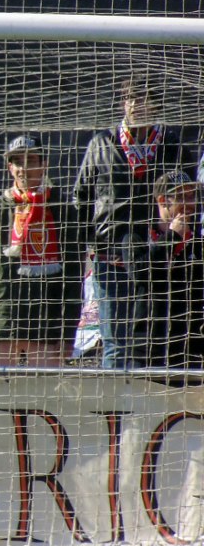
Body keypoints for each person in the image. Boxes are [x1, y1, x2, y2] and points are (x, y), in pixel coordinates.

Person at [72, 74, 199, 368]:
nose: (137, 105)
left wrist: (180, 238)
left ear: (156, 105)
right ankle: (114, 399)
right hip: (111, 259)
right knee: (115, 345)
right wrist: (89, 246)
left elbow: (190, 199)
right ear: (122, 103)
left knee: (155, 343)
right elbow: (81, 199)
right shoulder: (101, 144)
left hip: (160, 260)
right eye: (131, 98)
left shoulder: (173, 146)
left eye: (144, 98)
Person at [0, 135, 83, 366]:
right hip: (5, 323)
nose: (24, 168)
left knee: (44, 388)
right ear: (9, 167)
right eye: (17, 162)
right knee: (1, 388)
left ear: (44, 164)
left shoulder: (62, 209)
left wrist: (67, 333)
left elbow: (73, 275)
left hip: (47, 326)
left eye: (31, 160)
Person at [144, 170, 204, 369]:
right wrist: (172, 237)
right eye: (181, 197)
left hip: (189, 351)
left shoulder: (197, 243)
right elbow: (141, 272)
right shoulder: (140, 237)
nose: (190, 203)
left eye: (192, 196)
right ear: (162, 201)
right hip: (147, 347)